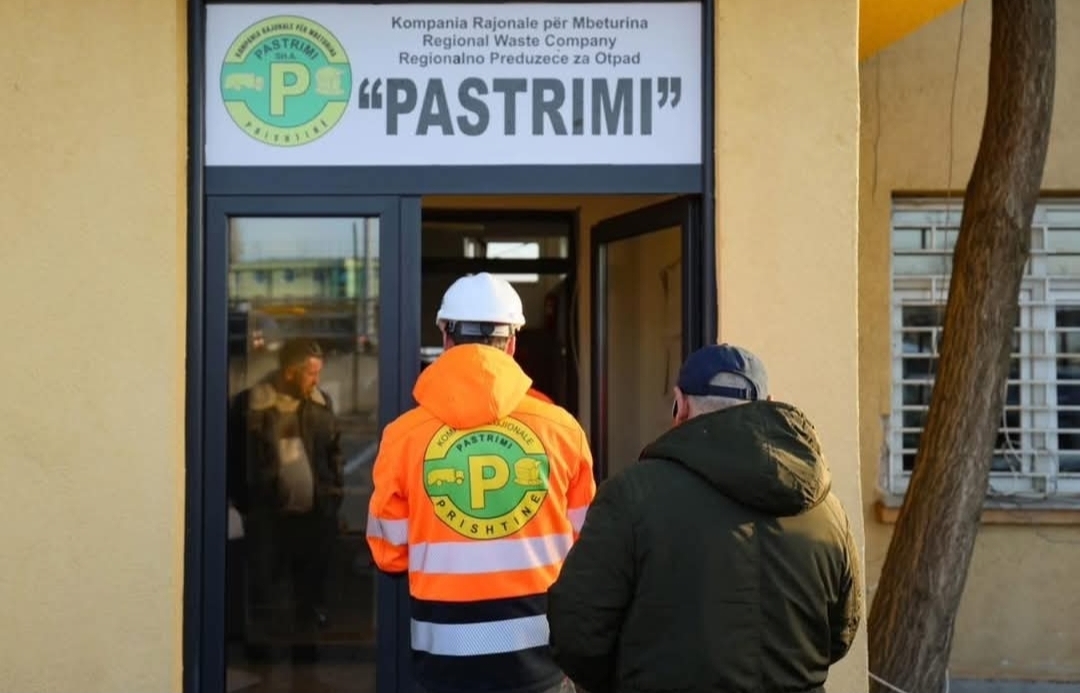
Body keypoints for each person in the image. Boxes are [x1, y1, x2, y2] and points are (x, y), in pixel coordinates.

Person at [547, 343, 863, 693]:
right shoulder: (826, 507)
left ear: (680, 404)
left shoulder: (631, 495)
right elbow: (840, 633)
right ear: (769, 402)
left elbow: (577, 632)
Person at [367, 272, 596, 693]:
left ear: (445, 337)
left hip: (444, 664)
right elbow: (588, 549)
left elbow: (389, 555)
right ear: (512, 343)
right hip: (539, 663)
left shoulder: (403, 437)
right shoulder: (562, 430)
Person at [226, 338, 344, 665]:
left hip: (313, 514)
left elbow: (333, 453)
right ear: (291, 372)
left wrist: (334, 494)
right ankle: (260, 658)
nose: (316, 380)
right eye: (311, 373)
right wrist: (246, 503)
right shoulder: (250, 404)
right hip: (266, 515)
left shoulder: (320, 403)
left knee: (308, 588)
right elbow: (232, 458)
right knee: (264, 587)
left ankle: (305, 655)